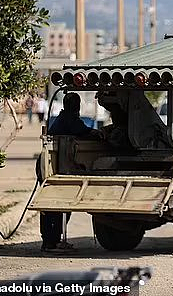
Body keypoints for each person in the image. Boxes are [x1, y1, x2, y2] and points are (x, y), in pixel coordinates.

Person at [38, 92, 100, 252]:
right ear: (75, 106)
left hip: (50, 164)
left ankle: (53, 240)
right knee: (54, 207)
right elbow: (83, 131)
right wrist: (98, 134)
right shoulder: (69, 119)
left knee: (56, 207)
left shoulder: (64, 117)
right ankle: (51, 242)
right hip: (51, 166)